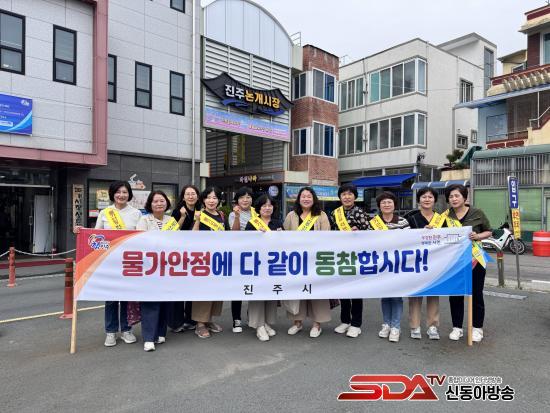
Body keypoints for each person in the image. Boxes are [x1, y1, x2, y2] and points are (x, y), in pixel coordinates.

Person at [74, 180, 141, 347]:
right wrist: (81, 231)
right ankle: (110, 332)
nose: (121, 195)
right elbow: (96, 236)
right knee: (110, 299)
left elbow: (141, 237)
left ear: (129, 194)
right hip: (108, 262)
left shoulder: (136, 213)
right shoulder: (105, 213)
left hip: (128, 261)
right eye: (118, 192)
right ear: (112, 194)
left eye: (124, 192)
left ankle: (126, 329)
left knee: (126, 298)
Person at [444, 184, 492, 343]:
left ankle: (477, 328)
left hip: (475, 259)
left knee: (476, 293)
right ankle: (457, 327)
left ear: (464, 197)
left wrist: (478, 236)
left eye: (457, 196)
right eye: (451, 196)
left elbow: (489, 231)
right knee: (455, 294)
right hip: (454, 261)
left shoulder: (477, 213)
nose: (454, 199)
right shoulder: (445, 216)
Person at [283, 186, 331, 338]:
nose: (306, 199)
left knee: (317, 291)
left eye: (309, 196)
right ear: (298, 199)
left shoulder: (321, 215)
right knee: (298, 290)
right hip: (297, 261)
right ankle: (297, 322)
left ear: (313, 199)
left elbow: (327, 236)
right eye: (303, 196)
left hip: (316, 260)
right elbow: (284, 236)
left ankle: (317, 324)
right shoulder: (291, 215)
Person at [330, 184, 369, 338]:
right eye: (344, 194)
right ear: (340, 197)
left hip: (356, 256)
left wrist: (358, 232)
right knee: (343, 290)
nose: (347, 197)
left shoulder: (360, 212)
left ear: (355, 196)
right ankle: (345, 321)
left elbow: (369, 232)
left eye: (350, 194)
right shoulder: (335, 213)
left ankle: (356, 324)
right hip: (340, 255)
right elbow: (330, 232)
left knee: (356, 291)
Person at [370, 191, 409, 343]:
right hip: (381, 265)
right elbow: (367, 242)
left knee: (396, 297)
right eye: (383, 202)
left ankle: (396, 327)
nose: (386, 205)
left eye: (389, 202)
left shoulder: (403, 222)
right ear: (379, 206)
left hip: (398, 265)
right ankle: (386, 324)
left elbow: (410, 242)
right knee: (385, 295)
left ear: (394, 205)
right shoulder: (373, 222)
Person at [136, 191, 173, 351]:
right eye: (155, 201)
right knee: (150, 301)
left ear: (167, 203)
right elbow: (140, 242)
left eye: (162, 201)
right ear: (150, 204)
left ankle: (160, 333)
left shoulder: (171, 220)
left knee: (165, 299)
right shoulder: (144, 220)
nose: (159, 204)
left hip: (167, 266)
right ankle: (149, 338)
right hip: (149, 267)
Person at [191, 186, 229, 339]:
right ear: (203, 199)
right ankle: (200, 324)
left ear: (219, 200)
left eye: (214, 197)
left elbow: (227, 235)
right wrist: (197, 220)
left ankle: (209, 319)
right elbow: (192, 236)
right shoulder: (200, 214)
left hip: (219, 258)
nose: (211, 200)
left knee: (215, 290)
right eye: (208, 197)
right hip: (203, 258)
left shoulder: (221, 215)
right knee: (203, 290)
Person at [244, 194, 283, 341]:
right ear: (258, 208)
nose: (267, 208)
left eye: (270, 205)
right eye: (264, 205)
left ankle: (266, 322)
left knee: (270, 293)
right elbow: (245, 244)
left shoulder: (277, 223)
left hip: (273, 266)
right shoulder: (252, 223)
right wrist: (256, 236)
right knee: (257, 295)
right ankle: (258, 325)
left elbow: (284, 245)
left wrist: (281, 236)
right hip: (257, 265)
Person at [406, 187, 441, 340]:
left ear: (434, 200)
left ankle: (433, 326)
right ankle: (415, 326)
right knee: (415, 294)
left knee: (433, 293)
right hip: (416, 262)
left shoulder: (442, 219)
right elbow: (404, 238)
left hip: (435, 262)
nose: (427, 199)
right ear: (418, 200)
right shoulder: (410, 218)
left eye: (430, 197)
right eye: (424, 197)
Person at [167, 185, 201, 333]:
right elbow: (171, 231)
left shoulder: (201, 211)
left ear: (197, 196)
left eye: (193, 194)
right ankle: (176, 322)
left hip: (196, 256)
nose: (191, 196)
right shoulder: (177, 211)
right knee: (178, 289)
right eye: (187, 194)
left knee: (192, 289)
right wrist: (182, 217)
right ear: (183, 197)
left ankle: (191, 320)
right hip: (179, 255)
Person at [228, 187, 255, 334]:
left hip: (255, 255)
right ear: (237, 200)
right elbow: (234, 233)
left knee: (254, 286)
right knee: (238, 288)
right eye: (242, 197)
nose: (245, 200)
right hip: (239, 256)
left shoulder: (257, 212)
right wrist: (237, 217)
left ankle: (253, 317)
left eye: (248, 197)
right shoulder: (233, 214)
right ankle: (236, 319)